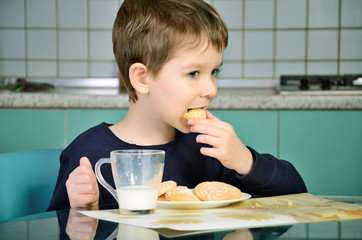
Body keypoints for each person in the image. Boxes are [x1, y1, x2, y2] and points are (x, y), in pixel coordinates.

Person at [47, 0, 307, 211]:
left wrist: (245, 160)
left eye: (215, 71)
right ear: (142, 78)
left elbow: (297, 197)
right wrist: (80, 212)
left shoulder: (207, 148)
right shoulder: (86, 155)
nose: (211, 89)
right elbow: (52, 230)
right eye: (193, 73)